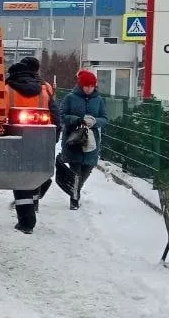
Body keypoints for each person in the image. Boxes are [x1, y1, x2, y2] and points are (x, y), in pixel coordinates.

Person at [6, 61, 61, 233]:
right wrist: (54, 137)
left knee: (21, 178)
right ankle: (36, 197)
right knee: (36, 172)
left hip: (15, 137)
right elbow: (55, 115)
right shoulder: (45, 88)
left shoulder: (6, 88)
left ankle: (26, 222)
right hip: (41, 136)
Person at [59, 69, 108, 210]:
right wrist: (77, 120)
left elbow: (105, 118)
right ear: (81, 85)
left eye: (92, 86)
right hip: (74, 139)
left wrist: (95, 121)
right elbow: (62, 116)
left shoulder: (99, 100)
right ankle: (74, 199)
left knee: (87, 168)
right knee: (76, 170)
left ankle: (76, 189)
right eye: (86, 86)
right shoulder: (70, 98)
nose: (89, 89)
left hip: (91, 141)